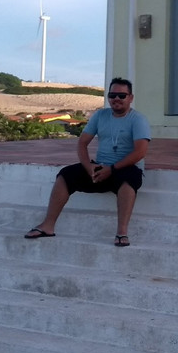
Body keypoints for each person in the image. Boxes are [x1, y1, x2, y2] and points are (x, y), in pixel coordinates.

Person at [25, 77, 150, 247]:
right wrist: (89, 167)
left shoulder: (138, 120)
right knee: (66, 174)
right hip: (100, 166)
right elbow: (82, 143)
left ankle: (122, 232)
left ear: (131, 97)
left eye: (122, 95)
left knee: (129, 180)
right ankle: (48, 225)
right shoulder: (100, 115)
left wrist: (111, 169)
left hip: (125, 167)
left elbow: (140, 152)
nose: (116, 99)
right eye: (112, 95)